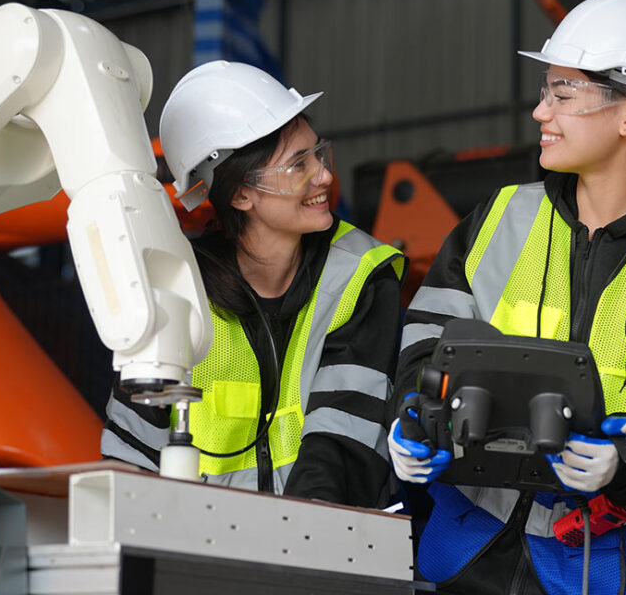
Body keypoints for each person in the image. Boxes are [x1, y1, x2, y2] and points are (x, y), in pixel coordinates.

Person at [388, 0, 626, 595]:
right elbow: (425, 347)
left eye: (562, 95)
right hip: (474, 553)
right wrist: (411, 421)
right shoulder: (500, 219)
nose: (540, 112)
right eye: (544, 92)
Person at [101, 61, 405, 509]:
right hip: (197, 555)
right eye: (297, 164)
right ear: (241, 194)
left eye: (318, 153)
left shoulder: (359, 275)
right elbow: (129, 457)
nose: (322, 175)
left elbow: (344, 439)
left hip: (324, 546)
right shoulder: (178, 292)